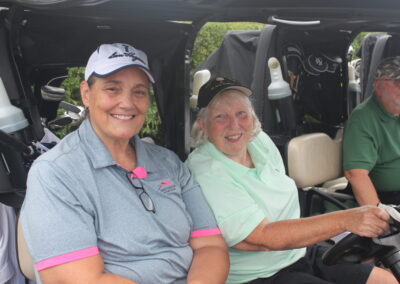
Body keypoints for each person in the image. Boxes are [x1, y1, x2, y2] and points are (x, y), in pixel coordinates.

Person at [20, 43, 229, 284]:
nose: (127, 103)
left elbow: (210, 245)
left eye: (139, 92)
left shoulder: (167, 161)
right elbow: (82, 279)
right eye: (112, 89)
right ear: (86, 94)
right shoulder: (56, 172)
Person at [186, 76, 397, 284]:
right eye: (220, 117)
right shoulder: (206, 170)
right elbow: (262, 238)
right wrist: (347, 220)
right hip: (260, 274)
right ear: (202, 124)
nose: (234, 125)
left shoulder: (257, 141)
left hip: (298, 252)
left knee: (385, 279)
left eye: (241, 113)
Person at [343, 56, 400, 206]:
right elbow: (355, 174)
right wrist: (380, 214)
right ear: (378, 87)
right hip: (387, 199)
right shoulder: (363, 118)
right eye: (398, 82)